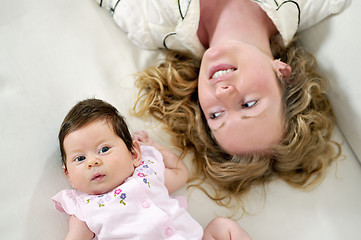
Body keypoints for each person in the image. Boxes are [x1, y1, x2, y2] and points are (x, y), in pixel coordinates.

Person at [95, 0, 344, 203]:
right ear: (283, 74)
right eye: (249, 104)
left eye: (216, 114)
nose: (223, 92)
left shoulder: (146, 23)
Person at [52, 98, 252, 240]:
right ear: (68, 175)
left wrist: (156, 147)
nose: (92, 162)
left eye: (104, 149)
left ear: (133, 153)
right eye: (80, 158)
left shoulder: (146, 173)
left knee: (222, 227)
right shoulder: (84, 208)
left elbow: (180, 173)